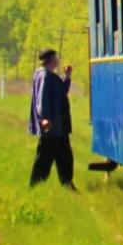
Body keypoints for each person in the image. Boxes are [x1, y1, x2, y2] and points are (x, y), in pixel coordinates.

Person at [28, 49, 75, 188]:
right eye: (56, 58)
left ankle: (66, 183)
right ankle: (36, 184)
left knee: (64, 156)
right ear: (50, 60)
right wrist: (44, 118)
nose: (58, 60)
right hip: (52, 125)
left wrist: (67, 77)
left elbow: (62, 92)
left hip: (59, 125)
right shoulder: (44, 76)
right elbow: (41, 100)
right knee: (45, 157)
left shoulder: (50, 75)